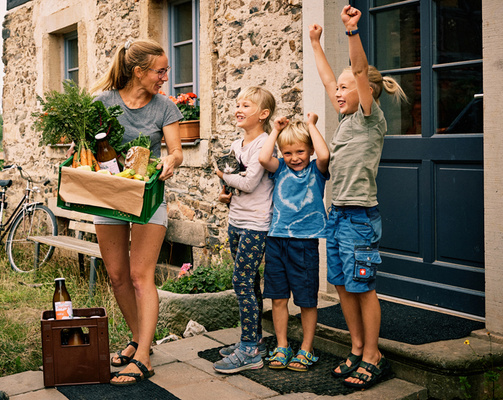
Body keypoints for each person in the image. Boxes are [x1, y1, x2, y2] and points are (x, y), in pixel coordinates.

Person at [309, 5, 407, 390]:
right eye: (338, 88)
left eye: (344, 88)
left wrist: (351, 31)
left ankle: (373, 355)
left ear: (366, 93)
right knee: (342, 285)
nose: (338, 91)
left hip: (360, 219)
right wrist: (315, 43)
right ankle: (356, 347)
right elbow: (326, 78)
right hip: (336, 215)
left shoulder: (370, 117)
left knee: (363, 287)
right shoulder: (346, 118)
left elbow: (360, 72)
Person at [90, 39, 183, 386]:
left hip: (148, 198)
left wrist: (171, 160)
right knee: (117, 276)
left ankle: (143, 356)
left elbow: (177, 150)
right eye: (160, 71)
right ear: (139, 72)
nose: (165, 77)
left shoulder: (165, 107)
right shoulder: (103, 103)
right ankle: (138, 338)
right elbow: (88, 145)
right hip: (109, 197)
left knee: (140, 275)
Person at [213, 86, 277, 374]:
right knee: (250, 282)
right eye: (238, 104)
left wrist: (223, 174)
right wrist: (224, 191)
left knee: (241, 281)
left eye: (246, 106)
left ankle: (249, 349)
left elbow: (249, 183)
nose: (239, 110)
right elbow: (232, 182)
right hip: (236, 220)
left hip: (256, 224)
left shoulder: (264, 144)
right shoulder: (236, 144)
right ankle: (255, 340)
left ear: (263, 114)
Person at [258, 114, 330, 372]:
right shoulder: (279, 169)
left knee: (307, 300)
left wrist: (311, 126)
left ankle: (307, 349)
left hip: (304, 243)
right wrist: (275, 131)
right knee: (278, 298)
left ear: (309, 150)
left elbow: (324, 155)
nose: (294, 158)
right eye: (287, 153)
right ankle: (282, 346)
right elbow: (263, 158)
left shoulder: (316, 170)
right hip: (276, 240)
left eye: (300, 151)